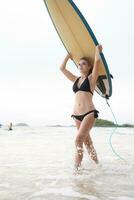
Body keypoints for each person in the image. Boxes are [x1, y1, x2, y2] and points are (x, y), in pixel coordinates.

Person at [60, 44, 103, 171]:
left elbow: (97, 61)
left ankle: (76, 170)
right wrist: (68, 56)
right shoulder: (75, 79)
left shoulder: (91, 78)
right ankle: (97, 165)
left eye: (83, 63)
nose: (80, 66)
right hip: (76, 115)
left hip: (89, 112)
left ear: (88, 67)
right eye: (79, 64)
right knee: (87, 142)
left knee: (78, 140)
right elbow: (62, 69)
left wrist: (97, 51)